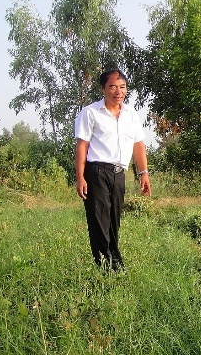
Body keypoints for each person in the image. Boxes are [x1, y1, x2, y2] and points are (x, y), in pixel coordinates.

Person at [74, 69, 151, 272]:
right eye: (113, 87)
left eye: (122, 87)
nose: (118, 91)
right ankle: (105, 266)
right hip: (97, 171)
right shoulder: (90, 113)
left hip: (119, 174)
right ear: (103, 89)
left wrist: (143, 173)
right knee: (99, 220)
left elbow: (139, 145)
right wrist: (80, 177)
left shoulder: (131, 115)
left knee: (114, 219)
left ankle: (114, 262)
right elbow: (82, 146)